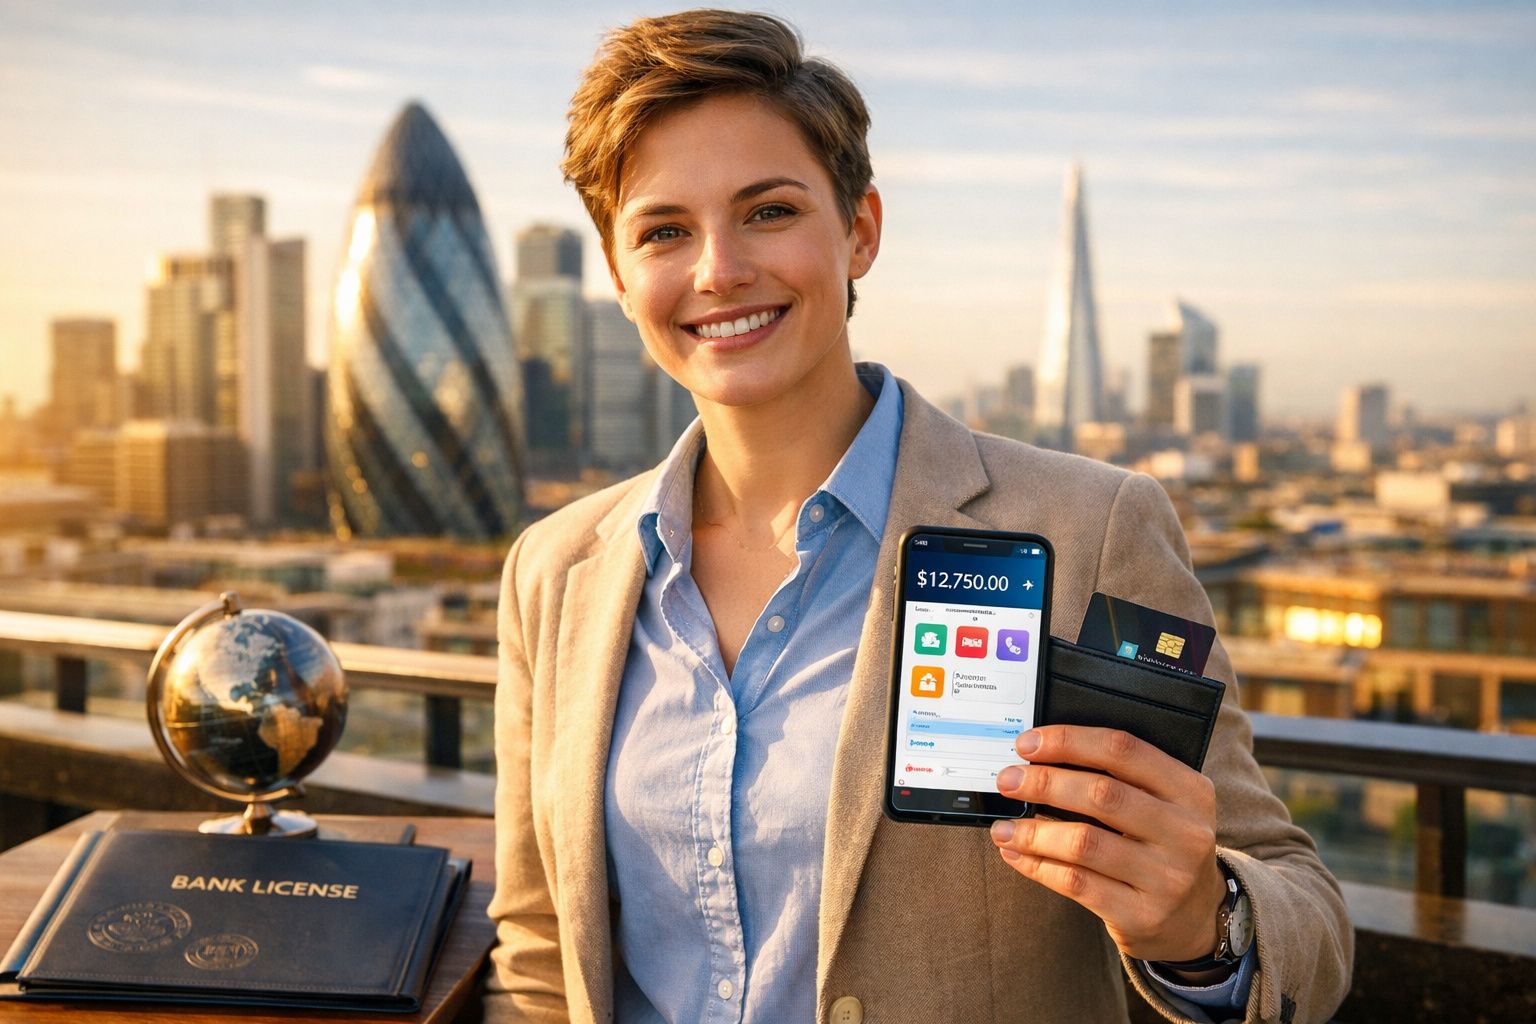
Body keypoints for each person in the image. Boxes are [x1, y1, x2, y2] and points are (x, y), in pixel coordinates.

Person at [486, 9, 1351, 1023]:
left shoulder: (1089, 531)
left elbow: (1308, 921)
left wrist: (1203, 921)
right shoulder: (554, 572)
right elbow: (542, 959)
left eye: (768, 210)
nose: (717, 268)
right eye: (664, 230)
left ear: (859, 231)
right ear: (621, 275)